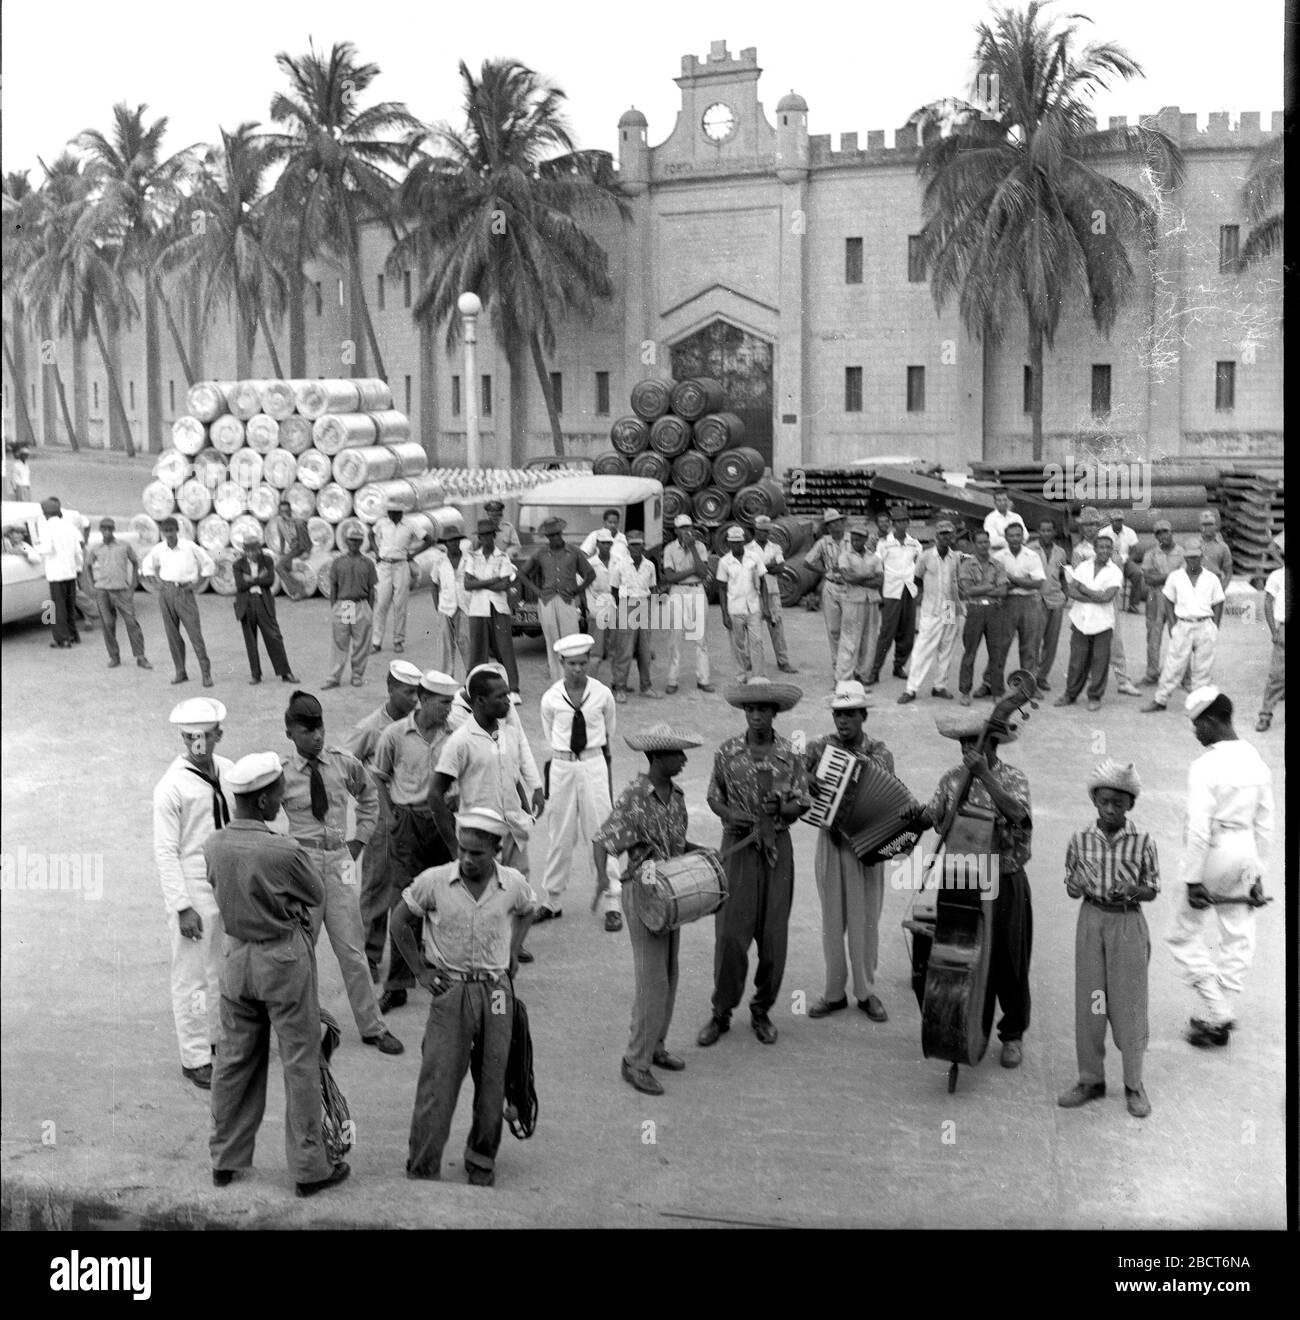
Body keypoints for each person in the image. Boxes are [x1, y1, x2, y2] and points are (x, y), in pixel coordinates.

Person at [206, 751, 350, 1197]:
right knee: (300, 1063)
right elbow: (313, 892)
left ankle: (224, 1159)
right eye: (277, 797)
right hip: (282, 962)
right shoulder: (283, 849)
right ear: (266, 802)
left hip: (237, 961)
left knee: (233, 1062)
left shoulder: (214, 844)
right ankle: (309, 1168)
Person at [390, 808, 536, 1187]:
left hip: (497, 994)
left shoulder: (513, 884)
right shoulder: (434, 882)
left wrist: (512, 954)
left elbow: (528, 909)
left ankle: (481, 1161)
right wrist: (421, 972)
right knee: (437, 1085)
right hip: (450, 990)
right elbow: (398, 921)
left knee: (493, 1082)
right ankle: (422, 1167)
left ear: (497, 849)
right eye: (463, 850)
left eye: (478, 852)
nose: (468, 859)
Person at [907, 708, 1033, 1067]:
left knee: (1010, 959)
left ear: (993, 743)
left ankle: (1012, 1035)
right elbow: (932, 815)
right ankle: (965, 1023)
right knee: (965, 958)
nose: (967, 749)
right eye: (963, 742)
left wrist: (985, 778)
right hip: (961, 880)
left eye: (974, 742)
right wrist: (917, 816)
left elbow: (1019, 816)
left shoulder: (1013, 778)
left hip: (1005, 878)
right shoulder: (951, 780)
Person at [280, 690, 403, 1054]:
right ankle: (304, 1031)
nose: (316, 736)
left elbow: (369, 795)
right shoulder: (282, 775)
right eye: (306, 730)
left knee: (352, 951)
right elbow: (260, 813)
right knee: (301, 954)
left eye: (319, 727)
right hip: (302, 869)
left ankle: (372, 1026)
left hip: (339, 864)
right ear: (290, 733)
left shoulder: (342, 764)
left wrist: (359, 840)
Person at [696, 677, 809, 1048]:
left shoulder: (790, 755)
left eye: (764, 709)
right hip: (739, 847)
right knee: (730, 935)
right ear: (744, 712)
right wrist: (732, 813)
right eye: (751, 709)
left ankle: (762, 1011)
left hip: (777, 848)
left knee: (774, 937)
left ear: (775, 713)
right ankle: (721, 1012)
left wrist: (784, 808)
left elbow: (802, 804)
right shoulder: (727, 753)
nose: (757, 715)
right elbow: (714, 796)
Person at [594, 724, 704, 1096]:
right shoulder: (634, 797)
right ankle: (635, 1061)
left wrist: (700, 851)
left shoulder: (676, 796)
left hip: (671, 890)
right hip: (643, 891)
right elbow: (603, 841)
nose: (685, 759)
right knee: (651, 982)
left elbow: (676, 842)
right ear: (657, 758)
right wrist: (602, 880)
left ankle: (655, 1047)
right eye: (678, 754)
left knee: (669, 975)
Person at [1166, 688, 1274, 1047]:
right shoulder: (1257, 761)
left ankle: (1218, 1009)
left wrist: (1193, 879)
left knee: (1182, 933)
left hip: (1213, 851)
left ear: (1211, 720)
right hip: (1245, 851)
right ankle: (1220, 1012)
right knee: (1238, 933)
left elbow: (1198, 828)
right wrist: (1257, 875)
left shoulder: (1206, 766)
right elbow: (1266, 824)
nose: (1197, 733)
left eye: (1198, 725)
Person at [1058, 759, 1159, 1120]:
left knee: (1129, 1005)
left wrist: (1135, 890)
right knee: (1091, 1003)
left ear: (1130, 804)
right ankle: (1091, 1080)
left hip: (1128, 924)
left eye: (1119, 803)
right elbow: (1071, 883)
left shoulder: (1143, 841)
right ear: (1095, 802)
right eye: (1104, 803)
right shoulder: (1081, 839)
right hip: (1091, 920)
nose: (1111, 809)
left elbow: (1152, 889)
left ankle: (1134, 1084)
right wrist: (1075, 886)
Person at [805, 681, 904, 1021]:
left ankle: (865, 992)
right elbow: (795, 782)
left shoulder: (880, 753)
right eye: (837, 714)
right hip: (831, 845)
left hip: (867, 846)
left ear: (863, 715)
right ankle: (834, 993)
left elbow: (886, 801)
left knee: (866, 923)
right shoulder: (817, 748)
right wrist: (808, 784)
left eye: (849, 714)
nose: (842, 721)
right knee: (832, 921)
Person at [153, 697, 232, 1088]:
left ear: (218, 734)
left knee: (221, 967)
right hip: (193, 883)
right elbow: (165, 851)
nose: (197, 744)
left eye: (204, 736)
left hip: (226, 881)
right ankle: (195, 1057)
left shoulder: (229, 772)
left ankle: (217, 1039)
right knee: (192, 974)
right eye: (190, 737)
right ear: (183, 737)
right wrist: (182, 906)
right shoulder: (171, 787)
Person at [372, 668, 460, 1013]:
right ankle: (397, 985)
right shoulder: (394, 734)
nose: (448, 710)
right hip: (407, 824)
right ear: (423, 700)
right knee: (404, 902)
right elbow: (378, 777)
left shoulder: (455, 735)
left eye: (452, 703)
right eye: (442, 703)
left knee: (443, 897)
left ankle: (440, 971)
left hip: (443, 822)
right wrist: (389, 816)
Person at [431, 665, 544, 928]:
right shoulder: (460, 741)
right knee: (483, 896)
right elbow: (436, 793)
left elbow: (511, 774)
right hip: (480, 836)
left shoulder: (509, 732)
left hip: (513, 829)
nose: (508, 701)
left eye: (507, 695)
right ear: (480, 701)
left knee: (517, 887)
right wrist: (452, 843)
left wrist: (527, 805)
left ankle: (511, 947)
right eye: (501, 696)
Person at [342, 659, 424, 983]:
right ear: (390, 690)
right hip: (382, 820)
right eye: (408, 692)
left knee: (411, 887)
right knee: (378, 887)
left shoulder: (420, 724)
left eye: (418, 691)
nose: (415, 698)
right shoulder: (370, 727)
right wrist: (370, 797)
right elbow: (344, 767)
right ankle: (370, 956)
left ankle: (409, 957)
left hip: (414, 817)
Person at [536, 633, 619, 927]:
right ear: (561, 663)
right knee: (560, 833)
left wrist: (599, 763)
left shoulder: (602, 694)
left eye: (583, 663)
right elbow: (550, 732)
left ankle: (612, 901)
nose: (578, 669)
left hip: (593, 762)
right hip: (562, 766)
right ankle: (552, 900)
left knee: (601, 831)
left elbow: (608, 729)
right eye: (572, 664)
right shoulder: (550, 698)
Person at [1141, 541, 1225, 714]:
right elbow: (1168, 600)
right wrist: (1173, 626)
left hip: (1204, 624)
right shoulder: (1176, 577)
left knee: (1203, 667)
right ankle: (1160, 699)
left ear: (1202, 557)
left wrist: (1215, 626)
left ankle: (1198, 704)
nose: (1192, 561)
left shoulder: (1211, 578)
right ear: (1185, 558)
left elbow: (1218, 602)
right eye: (1189, 558)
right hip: (1184, 624)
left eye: (1196, 557)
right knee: (1174, 664)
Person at [1072, 507, 1142, 696]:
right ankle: (1084, 681)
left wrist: (1106, 594)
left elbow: (1117, 570)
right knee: (1086, 643)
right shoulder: (1079, 551)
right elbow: (1077, 582)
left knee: (1115, 643)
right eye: (1086, 525)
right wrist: (1095, 595)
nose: (1089, 529)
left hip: (1109, 604)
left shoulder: (1108, 546)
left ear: (1098, 527)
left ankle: (1122, 680)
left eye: (1093, 525)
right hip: (1087, 605)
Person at [140, 517, 215, 686]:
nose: (169, 534)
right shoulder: (159, 549)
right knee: (172, 635)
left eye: (171, 531)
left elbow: (208, 564)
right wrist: (157, 585)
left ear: (177, 531)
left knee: (195, 634)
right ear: (162, 533)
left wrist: (196, 585)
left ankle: (206, 673)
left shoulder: (189, 547)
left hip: (185, 592)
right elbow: (146, 567)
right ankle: (180, 671)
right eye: (166, 531)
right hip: (167, 593)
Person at [1056, 529, 1124, 712]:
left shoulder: (1115, 572)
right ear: (1094, 548)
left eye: (1108, 548)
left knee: (1100, 661)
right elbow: (1071, 591)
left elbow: (1107, 598)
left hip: (1102, 623)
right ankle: (1070, 694)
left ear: (1112, 551)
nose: (1104, 551)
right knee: (1077, 660)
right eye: (1101, 547)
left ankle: (1095, 696)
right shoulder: (1084, 567)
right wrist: (1094, 594)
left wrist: (1083, 589)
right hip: (1080, 621)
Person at [522, 516, 596, 681]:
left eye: (556, 534)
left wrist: (577, 590)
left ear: (561, 533)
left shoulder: (573, 551)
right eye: (550, 536)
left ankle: (575, 677)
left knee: (572, 639)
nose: (554, 538)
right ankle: (558, 680)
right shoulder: (541, 553)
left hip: (567, 600)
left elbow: (590, 574)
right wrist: (537, 591)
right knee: (552, 641)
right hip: (547, 600)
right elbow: (522, 573)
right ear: (547, 537)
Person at [901, 520, 961, 703]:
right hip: (931, 608)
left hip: (949, 607)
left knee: (946, 647)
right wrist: (919, 600)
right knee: (922, 649)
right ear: (936, 536)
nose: (945, 537)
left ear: (953, 537)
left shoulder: (955, 558)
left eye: (949, 534)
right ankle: (911, 689)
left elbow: (957, 581)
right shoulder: (926, 556)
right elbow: (917, 580)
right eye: (942, 534)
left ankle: (939, 686)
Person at [232, 532, 299, 685]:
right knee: (251, 641)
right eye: (248, 550)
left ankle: (285, 673)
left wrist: (250, 579)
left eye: (255, 550)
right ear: (244, 550)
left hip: (263, 602)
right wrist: (258, 579)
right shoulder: (238, 564)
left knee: (274, 637)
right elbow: (240, 585)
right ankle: (256, 675)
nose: (252, 553)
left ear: (259, 549)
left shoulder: (267, 560)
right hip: (246, 605)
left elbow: (269, 581)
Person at [85, 516, 150, 669]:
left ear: (113, 530)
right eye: (104, 529)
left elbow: (135, 563)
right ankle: (114, 656)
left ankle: (140, 657)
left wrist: (133, 584)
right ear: (100, 530)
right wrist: (92, 586)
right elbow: (87, 566)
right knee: (108, 624)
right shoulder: (96, 548)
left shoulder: (124, 546)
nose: (107, 532)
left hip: (122, 590)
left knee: (131, 622)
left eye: (110, 529)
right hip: (103, 591)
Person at [659, 514, 714, 695]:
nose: (686, 531)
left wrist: (692, 548)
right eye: (682, 528)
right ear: (676, 530)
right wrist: (692, 570)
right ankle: (673, 680)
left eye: (688, 527)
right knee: (675, 637)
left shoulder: (699, 546)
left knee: (701, 638)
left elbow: (704, 572)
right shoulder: (669, 549)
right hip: (677, 591)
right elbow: (670, 577)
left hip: (697, 590)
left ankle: (703, 679)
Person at [465, 517, 520, 696]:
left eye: (489, 535)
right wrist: (492, 580)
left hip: (498, 607)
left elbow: (504, 585)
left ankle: (513, 688)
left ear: (494, 536)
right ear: (479, 538)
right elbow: (467, 584)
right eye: (483, 536)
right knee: (477, 650)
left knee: (504, 648)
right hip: (477, 608)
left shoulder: (503, 557)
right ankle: (474, 687)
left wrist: (480, 582)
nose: (486, 539)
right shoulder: (473, 557)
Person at [370, 499, 433, 655]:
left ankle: (398, 640)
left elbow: (429, 540)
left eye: (394, 512)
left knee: (400, 604)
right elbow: (370, 535)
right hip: (384, 565)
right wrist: (376, 551)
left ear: (400, 513)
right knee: (381, 604)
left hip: (401, 565)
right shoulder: (382, 523)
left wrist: (413, 554)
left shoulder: (410, 524)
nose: (391, 515)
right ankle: (376, 642)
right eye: (389, 512)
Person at [867, 506, 921, 685]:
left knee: (907, 631)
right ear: (893, 523)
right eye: (898, 521)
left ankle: (899, 665)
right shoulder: (884, 543)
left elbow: (920, 563)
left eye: (905, 520)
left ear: (908, 523)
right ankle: (875, 670)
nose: (902, 524)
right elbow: (875, 564)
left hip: (909, 590)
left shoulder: (914, 543)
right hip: (891, 590)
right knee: (887, 632)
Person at [990, 520, 1045, 686]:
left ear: (1023, 537)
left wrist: (1011, 578)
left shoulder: (1032, 555)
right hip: (1007, 602)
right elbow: (997, 584)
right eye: (1011, 535)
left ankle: (1028, 685)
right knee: (1001, 645)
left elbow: (1037, 583)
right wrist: (1024, 580)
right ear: (1006, 537)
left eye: (1018, 535)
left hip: (1030, 602)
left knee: (1030, 646)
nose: (1015, 539)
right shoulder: (998, 557)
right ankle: (992, 684)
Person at [957, 529, 1008, 705]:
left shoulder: (998, 564)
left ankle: (997, 691)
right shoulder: (966, 565)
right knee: (970, 653)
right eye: (980, 542)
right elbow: (968, 590)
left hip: (995, 611)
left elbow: (1003, 590)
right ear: (973, 544)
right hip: (975, 611)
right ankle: (965, 692)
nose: (984, 545)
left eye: (986, 542)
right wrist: (990, 586)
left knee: (996, 653)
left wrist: (982, 588)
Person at [323, 528, 378, 689]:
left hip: (360, 604)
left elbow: (371, 589)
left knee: (361, 642)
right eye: (351, 540)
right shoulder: (338, 562)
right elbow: (333, 587)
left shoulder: (367, 563)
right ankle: (334, 677)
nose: (354, 543)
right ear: (346, 542)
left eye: (357, 540)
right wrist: (334, 607)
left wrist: (369, 609)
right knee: (340, 641)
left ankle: (357, 675)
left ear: (361, 542)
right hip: (344, 605)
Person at [609, 529, 658, 702]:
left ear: (644, 547)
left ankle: (646, 686)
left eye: (639, 545)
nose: (636, 549)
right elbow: (614, 590)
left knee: (644, 651)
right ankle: (620, 687)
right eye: (633, 546)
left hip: (644, 606)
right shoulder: (620, 565)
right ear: (628, 548)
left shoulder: (650, 565)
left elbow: (652, 589)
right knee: (625, 650)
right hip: (627, 606)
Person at [30, 496, 85, 649]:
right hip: (70, 572)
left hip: (56, 573)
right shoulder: (69, 527)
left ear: (45, 514)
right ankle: (73, 635)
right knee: (69, 605)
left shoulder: (47, 528)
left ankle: (62, 639)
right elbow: (78, 551)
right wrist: (78, 568)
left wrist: (35, 548)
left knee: (57, 607)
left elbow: (47, 549)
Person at [716, 525, 766, 682]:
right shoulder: (725, 562)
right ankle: (741, 676)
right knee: (738, 645)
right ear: (729, 543)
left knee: (757, 642)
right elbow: (722, 589)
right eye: (733, 542)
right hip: (735, 609)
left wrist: (766, 606)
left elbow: (763, 582)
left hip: (753, 607)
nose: (736, 545)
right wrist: (724, 614)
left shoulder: (754, 558)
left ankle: (758, 676)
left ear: (743, 542)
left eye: (739, 542)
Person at [749, 515, 798, 674]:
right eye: (759, 530)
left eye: (765, 531)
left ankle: (783, 661)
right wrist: (769, 566)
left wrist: (761, 567)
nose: (762, 534)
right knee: (754, 628)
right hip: (753, 591)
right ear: (755, 530)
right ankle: (754, 662)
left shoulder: (775, 547)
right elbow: (750, 570)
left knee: (777, 626)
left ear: (769, 532)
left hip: (772, 590)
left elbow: (781, 568)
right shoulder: (747, 549)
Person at [804, 509, 849, 682]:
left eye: (838, 522)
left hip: (849, 586)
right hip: (831, 587)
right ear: (828, 527)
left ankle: (850, 668)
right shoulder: (824, 542)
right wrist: (824, 571)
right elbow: (807, 561)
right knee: (833, 629)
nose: (835, 526)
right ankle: (838, 668)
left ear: (843, 523)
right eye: (831, 524)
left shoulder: (852, 539)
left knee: (850, 629)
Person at [1138, 520, 1184, 686]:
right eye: (1159, 533)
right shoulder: (1151, 554)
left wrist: (1162, 577)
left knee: (1179, 635)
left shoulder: (1182, 553)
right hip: (1154, 596)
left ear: (1172, 532)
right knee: (1153, 635)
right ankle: (1151, 673)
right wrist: (1172, 575)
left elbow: (1184, 577)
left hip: (1176, 598)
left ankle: (1181, 675)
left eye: (1165, 531)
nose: (1163, 535)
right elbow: (1148, 578)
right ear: (1155, 536)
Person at [836, 519, 882, 685]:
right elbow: (848, 578)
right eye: (854, 538)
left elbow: (880, 581)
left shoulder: (874, 557)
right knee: (849, 639)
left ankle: (863, 675)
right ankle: (843, 678)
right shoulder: (845, 556)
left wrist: (858, 578)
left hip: (872, 601)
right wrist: (868, 576)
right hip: (853, 601)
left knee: (869, 640)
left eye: (860, 538)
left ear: (866, 539)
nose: (856, 541)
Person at [1029, 518, 1068, 691]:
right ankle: (1031, 677)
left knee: (1051, 643)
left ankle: (1042, 676)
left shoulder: (1060, 552)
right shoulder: (1030, 550)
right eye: (1043, 530)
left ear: (1054, 532)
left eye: (1049, 530)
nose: (1046, 533)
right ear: (1038, 531)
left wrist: (1065, 595)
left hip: (1056, 600)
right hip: (1036, 600)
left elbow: (1062, 574)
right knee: (1033, 642)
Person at [429, 527, 471, 678]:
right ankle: (446, 679)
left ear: (460, 541)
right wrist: (437, 606)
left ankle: (471, 678)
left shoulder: (469, 559)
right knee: (445, 647)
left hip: (465, 606)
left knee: (467, 643)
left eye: (455, 540)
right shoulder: (439, 561)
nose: (453, 543)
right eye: (449, 541)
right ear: (445, 543)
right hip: (445, 607)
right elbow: (434, 583)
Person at [1256, 558, 1286, 732]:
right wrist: (1274, 630)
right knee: (1276, 675)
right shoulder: (1277, 576)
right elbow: (1268, 602)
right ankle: (1265, 715)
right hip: (1283, 628)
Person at [585, 528, 619, 680]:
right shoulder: (590, 564)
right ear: (597, 544)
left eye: (608, 543)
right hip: (596, 610)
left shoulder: (618, 562)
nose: (606, 545)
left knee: (614, 650)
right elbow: (581, 586)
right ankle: (591, 684)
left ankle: (617, 683)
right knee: (596, 653)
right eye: (603, 543)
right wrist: (585, 607)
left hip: (614, 609)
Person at [272, 498, 313, 600]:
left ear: (290, 510)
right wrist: (281, 552)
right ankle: (296, 589)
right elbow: (282, 538)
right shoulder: (280, 522)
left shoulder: (297, 519)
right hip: (294, 549)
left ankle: (306, 551)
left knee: (299, 523)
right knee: (279, 567)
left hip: (303, 544)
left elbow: (304, 531)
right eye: (282, 511)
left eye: (286, 510)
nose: (284, 513)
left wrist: (289, 519)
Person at [1105, 508, 1143, 613]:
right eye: (1116, 520)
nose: (1118, 523)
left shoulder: (1129, 532)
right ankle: (1106, 602)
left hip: (1124, 561)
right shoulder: (1104, 532)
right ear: (1111, 521)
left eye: (1120, 520)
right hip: (1108, 561)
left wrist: (1127, 560)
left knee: (1137, 573)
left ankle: (1133, 605)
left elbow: (1135, 551)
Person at [1196, 509, 1234, 587]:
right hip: (1197, 586)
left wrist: (1222, 590)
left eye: (1210, 524)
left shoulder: (1223, 547)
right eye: (1204, 525)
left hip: (1215, 586)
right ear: (1200, 527)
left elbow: (1228, 573)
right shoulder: (1194, 545)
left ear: (1215, 526)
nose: (1207, 527)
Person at [982, 488, 1027, 552]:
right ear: (995, 502)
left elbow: (1025, 535)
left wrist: (1004, 538)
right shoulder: (990, 519)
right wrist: (1015, 540)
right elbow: (993, 541)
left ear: (1008, 501)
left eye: (1005, 500)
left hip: (1018, 551)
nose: (1002, 502)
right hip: (998, 553)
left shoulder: (1016, 517)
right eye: (999, 500)